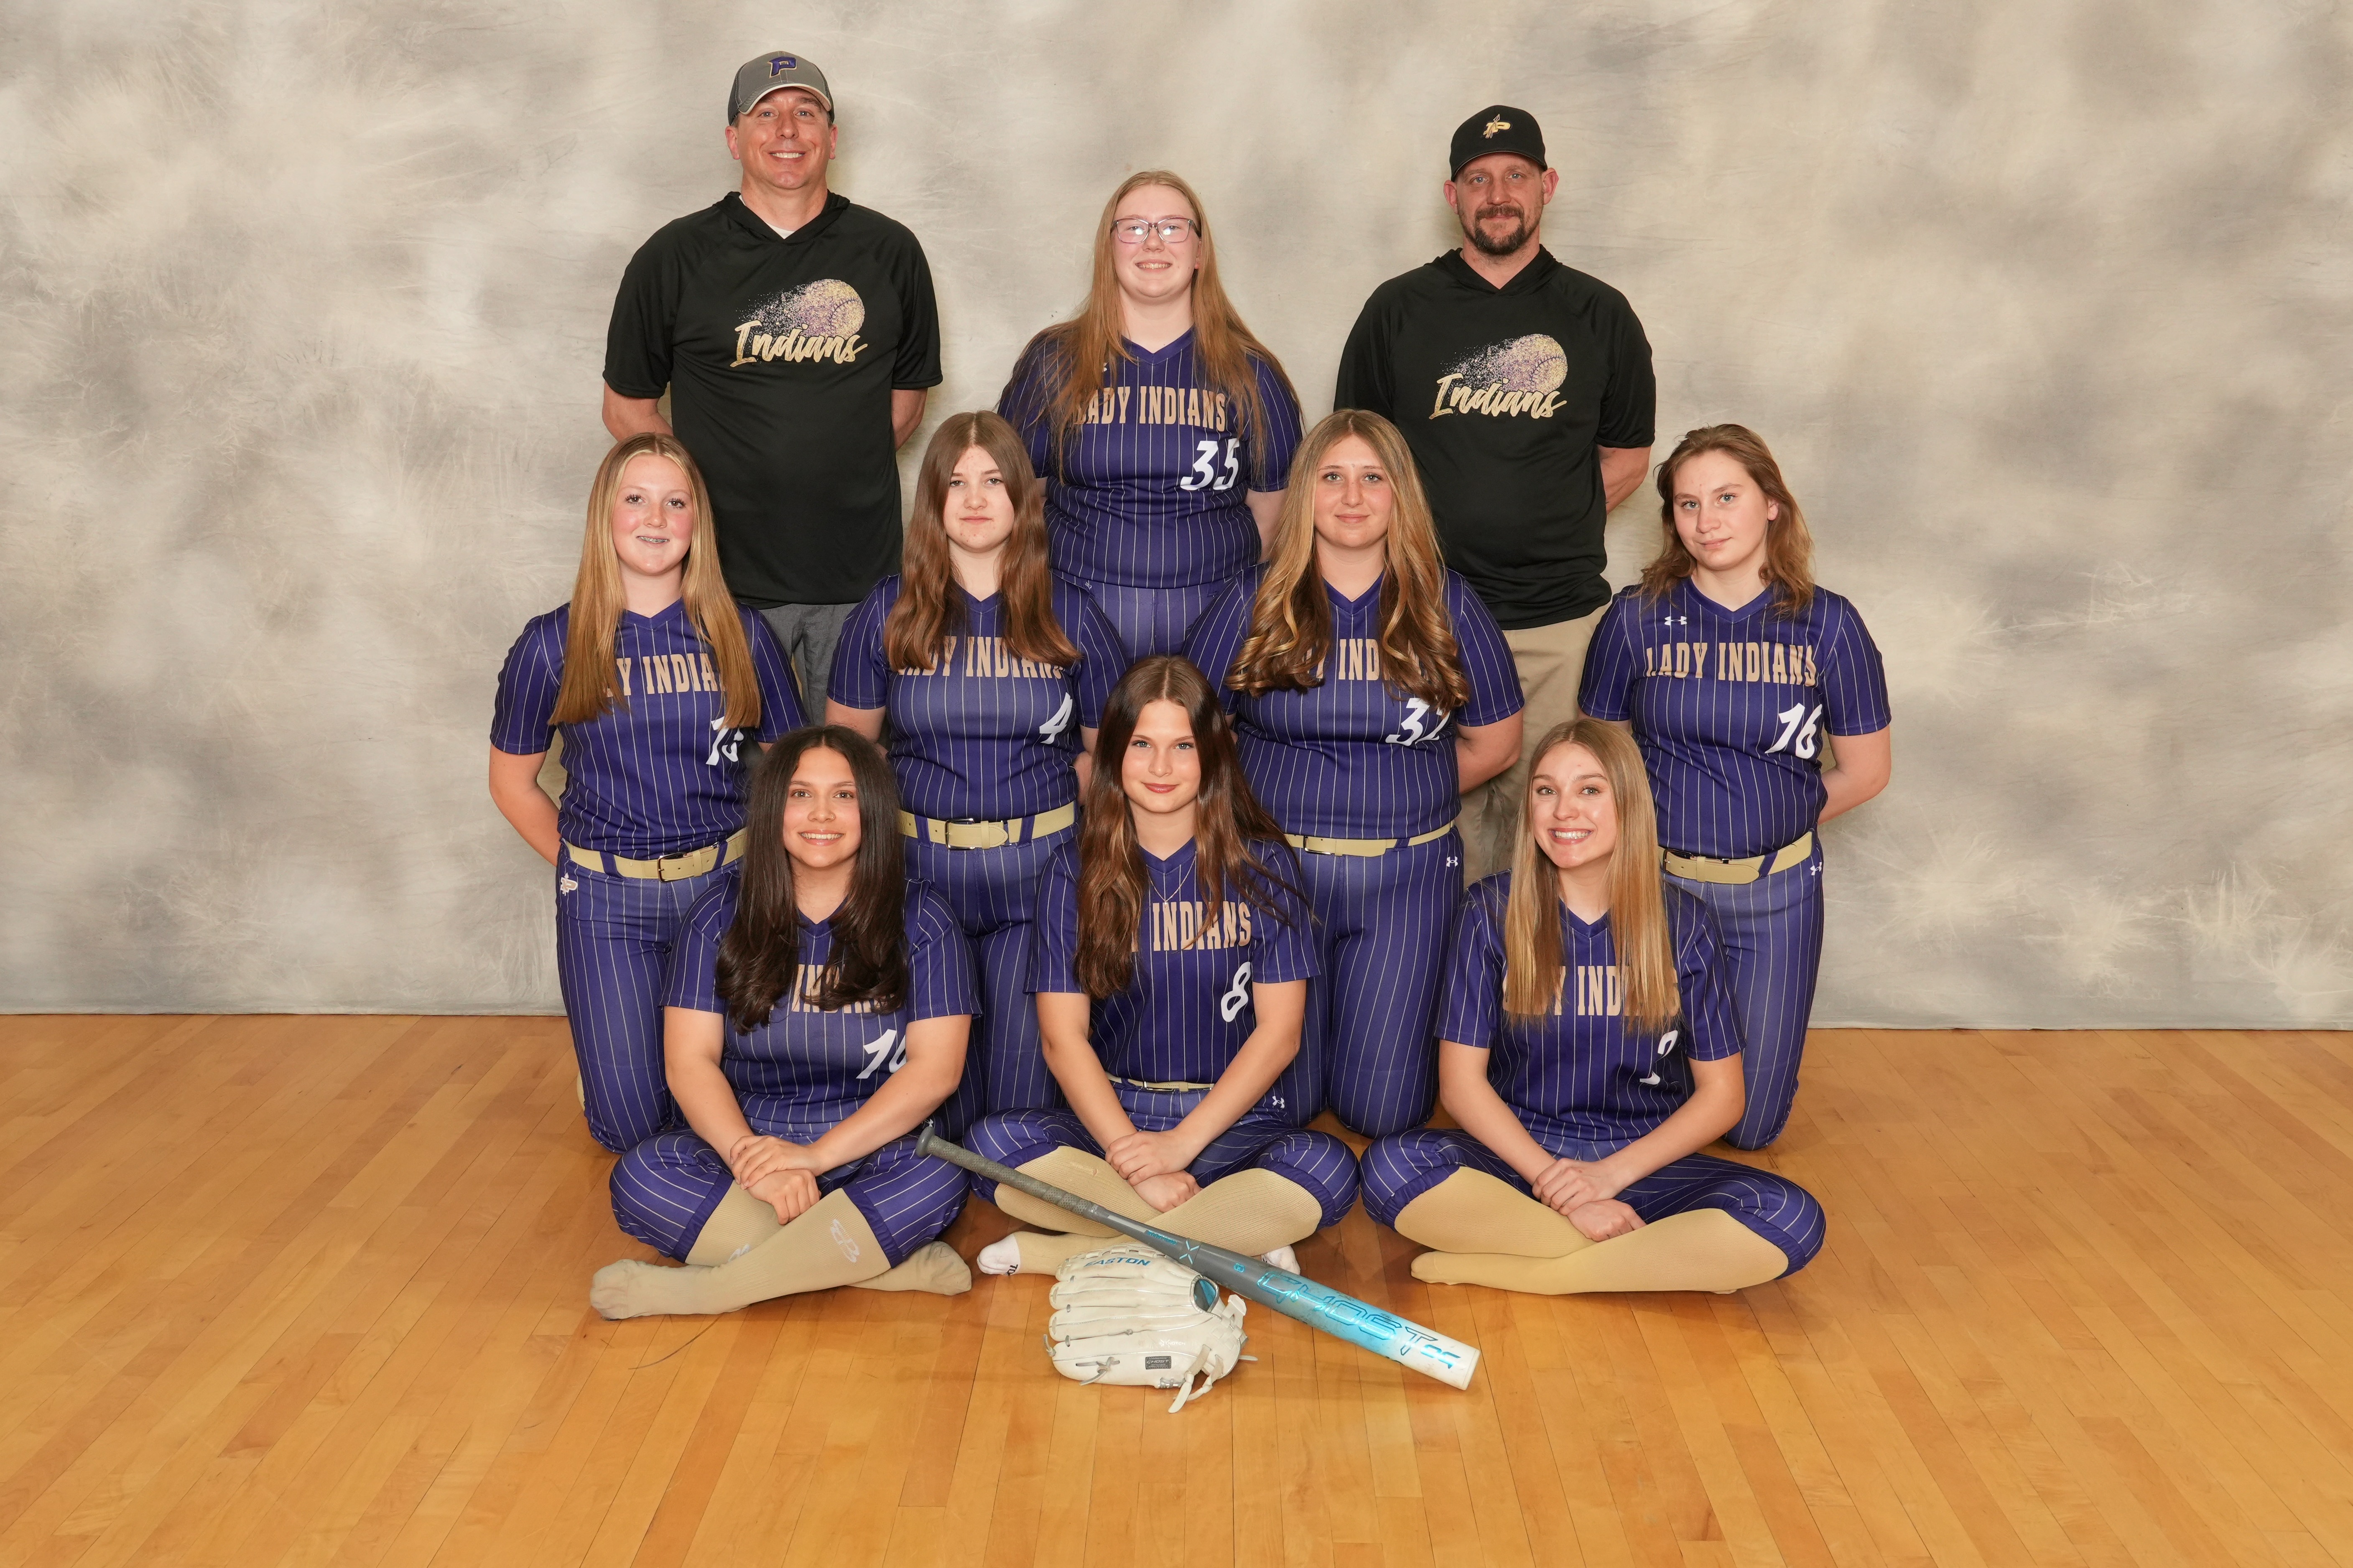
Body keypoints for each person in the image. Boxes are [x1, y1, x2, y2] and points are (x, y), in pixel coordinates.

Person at [1360, 720, 1825, 1293]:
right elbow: (1460, 1086)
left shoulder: (1685, 923)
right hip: (1521, 1152)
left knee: (1790, 1216)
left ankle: (1540, 1273)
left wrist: (1606, 1179)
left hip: (1639, 1161)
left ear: (1628, 803)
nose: (1564, 810)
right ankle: (1631, 1259)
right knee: (1391, 1167)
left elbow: (1723, 1097)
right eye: (1546, 790)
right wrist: (1559, 1188)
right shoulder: (1489, 911)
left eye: (1589, 789)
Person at [1333, 105, 1656, 883]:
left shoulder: (1599, 313)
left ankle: (1534, 972)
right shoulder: (1396, 310)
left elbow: (1627, 456)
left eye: (1516, 175)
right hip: (1422, 621)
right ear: (1452, 196)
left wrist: (1545, 518)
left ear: (1547, 186)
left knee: (1552, 835)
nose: (1498, 194)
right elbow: (1354, 456)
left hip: (1557, 622)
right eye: (1478, 180)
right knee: (1430, 830)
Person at [961, 657, 1359, 1276]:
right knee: (992, 1146)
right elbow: (1062, 1040)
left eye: (1183, 746)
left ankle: (1073, 1250)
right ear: (1114, 753)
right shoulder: (1073, 871)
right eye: (1142, 744)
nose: (1161, 767)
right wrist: (1133, 1159)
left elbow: (1280, 1035)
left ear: (1212, 756)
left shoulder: (1263, 868)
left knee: (1327, 1170)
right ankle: (1227, 1238)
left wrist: (1179, 1146)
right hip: (1115, 1116)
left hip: (1230, 1122)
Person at [1185, 410, 1523, 1135]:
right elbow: (1188, 736)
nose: (1351, 497)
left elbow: (1495, 744)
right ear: (1305, 492)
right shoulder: (1251, 599)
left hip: (1406, 881)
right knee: (1285, 1103)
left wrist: (1396, 800)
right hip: (1278, 878)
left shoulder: (1448, 602)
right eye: (1332, 477)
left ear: (1401, 493)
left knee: (1384, 1113)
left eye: (1372, 478)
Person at [591, 727, 979, 1317]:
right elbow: (689, 1062)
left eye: (844, 795)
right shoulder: (718, 913)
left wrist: (816, 1158)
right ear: (774, 808)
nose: (822, 814)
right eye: (801, 794)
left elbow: (937, 1072)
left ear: (873, 810)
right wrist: (749, 1159)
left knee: (937, 1178)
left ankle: (713, 1289)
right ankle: (866, 1266)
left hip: (872, 1146)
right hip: (751, 1141)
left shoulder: (924, 917)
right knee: (643, 1176)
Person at [1578, 425, 1891, 1147]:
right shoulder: (1634, 618)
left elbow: (1867, 771)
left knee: (1750, 1127)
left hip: (1773, 893)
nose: (1706, 520)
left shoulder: (1828, 624)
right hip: (1656, 887)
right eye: (1688, 504)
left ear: (1771, 503)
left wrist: (1769, 821)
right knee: (1630, 1106)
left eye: (1726, 498)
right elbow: (1600, 763)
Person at [490, 434, 804, 1152]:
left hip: (725, 891)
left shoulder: (743, 636)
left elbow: (798, 773)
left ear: (698, 521)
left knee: (747, 1109)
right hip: (608, 906)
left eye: (675, 502)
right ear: (606, 515)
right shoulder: (552, 644)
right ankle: (619, 1073)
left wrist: (778, 882)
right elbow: (511, 783)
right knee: (628, 1129)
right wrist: (587, 870)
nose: (655, 518)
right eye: (635, 499)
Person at [602, 50, 941, 697]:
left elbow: (905, 404)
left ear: (832, 138)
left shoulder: (891, 251)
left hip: (860, 580)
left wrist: (828, 471)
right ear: (734, 139)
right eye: (765, 114)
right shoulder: (673, 257)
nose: (787, 129)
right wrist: (698, 500)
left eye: (806, 112)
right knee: (738, 759)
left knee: (852, 756)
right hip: (723, 584)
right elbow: (626, 411)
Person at [826, 412, 1127, 1128]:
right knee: (939, 1109)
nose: (974, 498)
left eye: (992, 481)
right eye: (956, 483)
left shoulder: (1071, 611)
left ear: (1022, 495)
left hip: (1037, 876)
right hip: (920, 878)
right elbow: (846, 759)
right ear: (932, 499)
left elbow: (1110, 760)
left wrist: (1071, 826)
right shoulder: (887, 610)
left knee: (1019, 1112)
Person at [998, 171, 1303, 659]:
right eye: (1134, 227)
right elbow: (1013, 498)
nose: (1153, 242)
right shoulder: (1052, 362)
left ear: (1200, 252)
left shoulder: (1252, 372)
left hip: (1218, 619)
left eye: (1173, 227)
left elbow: (1275, 518)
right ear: (1109, 248)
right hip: (1073, 615)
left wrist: (1232, 612)